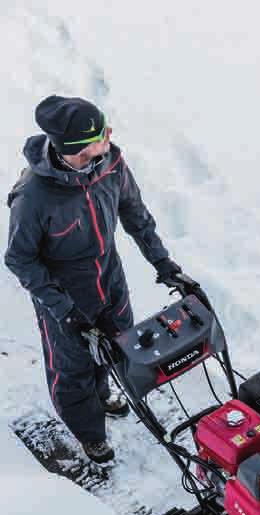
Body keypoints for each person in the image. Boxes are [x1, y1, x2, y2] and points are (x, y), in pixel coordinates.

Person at [5, 95, 182, 464]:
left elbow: (135, 213)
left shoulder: (111, 163)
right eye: (87, 152)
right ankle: (88, 431)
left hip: (109, 278)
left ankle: (101, 395)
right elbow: (19, 258)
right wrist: (65, 311)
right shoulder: (33, 196)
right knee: (73, 369)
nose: (99, 155)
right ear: (64, 151)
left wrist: (163, 262)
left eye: (102, 142)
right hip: (65, 297)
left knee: (116, 345)